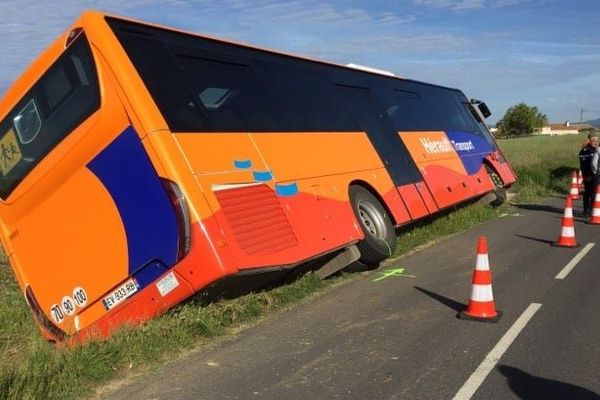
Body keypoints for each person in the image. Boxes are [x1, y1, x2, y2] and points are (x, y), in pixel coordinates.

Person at [579, 133, 599, 214]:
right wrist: (587, 175)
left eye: (597, 141)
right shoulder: (585, 151)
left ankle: (590, 208)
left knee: (593, 192)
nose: (595, 142)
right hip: (589, 175)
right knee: (589, 192)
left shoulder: (595, 149)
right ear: (589, 141)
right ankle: (587, 209)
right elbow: (584, 165)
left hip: (595, 175)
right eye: (593, 140)